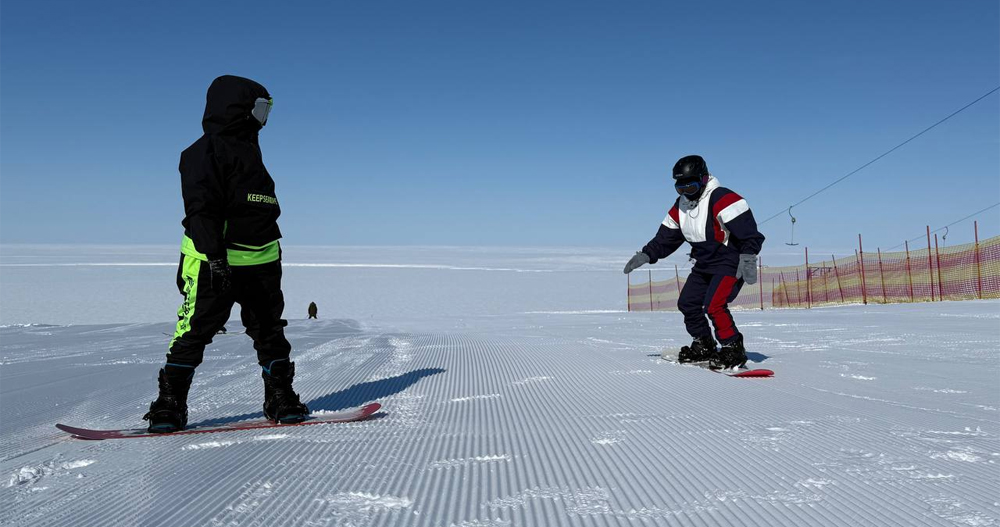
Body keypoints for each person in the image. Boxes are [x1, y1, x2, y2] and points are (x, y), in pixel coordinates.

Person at [144, 75, 309, 433]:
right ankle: (170, 403)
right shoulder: (202, 152)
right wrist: (215, 257)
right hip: (212, 263)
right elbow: (200, 208)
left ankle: (279, 394)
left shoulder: (251, 151)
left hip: (262, 262)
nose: (264, 119)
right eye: (261, 109)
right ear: (239, 108)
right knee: (194, 332)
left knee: (270, 333)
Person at [624, 155, 765, 369]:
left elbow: (750, 235)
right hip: (704, 263)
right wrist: (647, 254)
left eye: (689, 188)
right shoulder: (681, 205)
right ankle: (704, 345)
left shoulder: (723, 198)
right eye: (679, 188)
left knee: (715, 305)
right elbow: (667, 237)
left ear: (703, 179)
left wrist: (747, 259)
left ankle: (733, 348)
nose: (684, 193)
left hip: (729, 262)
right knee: (687, 303)